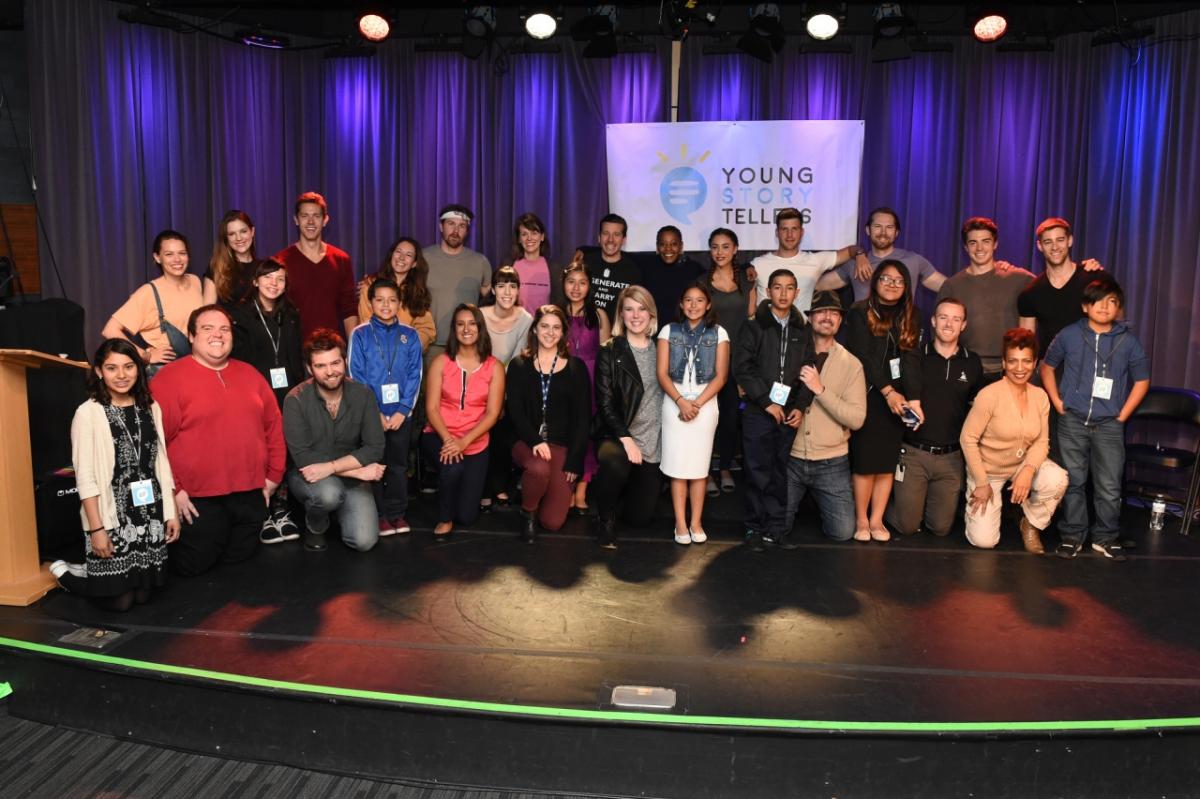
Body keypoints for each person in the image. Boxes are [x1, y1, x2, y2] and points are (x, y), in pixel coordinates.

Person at [151, 305, 286, 575]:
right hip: (197, 497)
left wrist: (273, 477)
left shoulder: (250, 374)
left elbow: (273, 427)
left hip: (250, 491)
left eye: (224, 329)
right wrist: (174, 490)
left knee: (242, 562)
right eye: (208, 328)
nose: (218, 335)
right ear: (191, 336)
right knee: (196, 565)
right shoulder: (168, 379)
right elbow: (156, 441)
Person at [53, 339, 178, 611]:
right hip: (111, 516)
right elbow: (85, 477)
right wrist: (96, 529)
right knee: (121, 602)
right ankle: (69, 578)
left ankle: (94, 575)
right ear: (99, 371)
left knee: (143, 596)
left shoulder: (150, 406)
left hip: (148, 511)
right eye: (112, 368)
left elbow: (162, 463)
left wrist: (170, 511)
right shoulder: (87, 413)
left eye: (129, 366)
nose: (121, 375)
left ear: (138, 369)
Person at [1041, 276, 1150, 560]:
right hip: (1072, 421)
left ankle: (1105, 538)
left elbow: (1142, 381)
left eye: (1111, 301)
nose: (1104, 306)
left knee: (1109, 486)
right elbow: (1047, 367)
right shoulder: (1069, 335)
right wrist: (1057, 402)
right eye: (1097, 301)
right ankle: (1072, 536)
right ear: (1085, 306)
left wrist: (1122, 416)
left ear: (1118, 308)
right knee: (1073, 482)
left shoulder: (1128, 342)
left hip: (1109, 425)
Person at [960, 328, 1068, 553]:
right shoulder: (989, 395)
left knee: (1057, 479)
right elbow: (967, 439)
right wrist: (981, 482)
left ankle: (1029, 523)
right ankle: (984, 505)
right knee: (984, 541)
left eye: (1026, 361)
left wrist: (1028, 470)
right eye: (1013, 361)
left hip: (1020, 465)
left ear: (1034, 363)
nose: (1020, 368)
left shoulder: (1040, 396)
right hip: (988, 470)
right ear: (1004, 362)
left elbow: (1041, 442)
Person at [885, 298, 984, 538]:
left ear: (963, 325)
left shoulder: (972, 362)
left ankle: (920, 507)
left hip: (951, 457)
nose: (949, 324)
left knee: (940, 528)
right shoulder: (915, 357)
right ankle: (889, 507)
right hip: (914, 453)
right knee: (907, 526)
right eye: (943, 317)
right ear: (933, 321)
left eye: (956, 319)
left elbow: (975, 405)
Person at [283, 329, 386, 552]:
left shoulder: (363, 394)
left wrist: (332, 468)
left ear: (345, 361)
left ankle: (341, 514)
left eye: (335, 363)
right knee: (329, 494)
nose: (330, 372)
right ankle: (316, 526)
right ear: (309, 368)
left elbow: (375, 447)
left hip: (345, 473)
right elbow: (303, 457)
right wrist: (357, 471)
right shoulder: (295, 400)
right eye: (321, 366)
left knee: (364, 541)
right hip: (309, 475)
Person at [733, 269, 814, 552]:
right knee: (757, 470)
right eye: (777, 287)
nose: (783, 293)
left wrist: (800, 407)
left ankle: (775, 529)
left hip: (788, 412)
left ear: (797, 293)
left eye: (789, 288)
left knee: (780, 471)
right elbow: (742, 368)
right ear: (768, 292)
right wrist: (767, 402)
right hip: (759, 410)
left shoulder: (803, 329)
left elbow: (809, 370)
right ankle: (754, 527)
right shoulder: (754, 326)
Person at [845, 260, 925, 542]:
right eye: (886, 279)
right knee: (866, 462)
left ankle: (877, 519)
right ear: (875, 281)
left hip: (898, 399)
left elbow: (911, 358)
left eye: (898, 280)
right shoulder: (859, 312)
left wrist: (914, 400)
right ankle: (861, 519)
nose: (892, 284)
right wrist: (888, 391)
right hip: (868, 393)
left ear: (906, 286)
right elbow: (863, 356)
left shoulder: (912, 314)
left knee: (886, 463)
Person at [782, 291, 867, 546]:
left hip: (831, 462)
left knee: (843, 532)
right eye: (821, 312)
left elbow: (857, 419)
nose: (828, 317)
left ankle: (816, 500)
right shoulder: (791, 352)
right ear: (810, 317)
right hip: (790, 457)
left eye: (834, 313)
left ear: (840, 321)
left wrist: (820, 390)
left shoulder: (851, 364)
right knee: (777, 527)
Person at [229, 259, 305, 544]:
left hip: (287, 392)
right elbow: (238, 359)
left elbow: (295, 354)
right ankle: (262, 511)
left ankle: (281, 509)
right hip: (254, 391)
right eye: (268, 278)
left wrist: (300, 392)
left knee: (282, 449)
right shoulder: (240, 315)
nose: (274, 284)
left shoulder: (291, 313)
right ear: (255, 281)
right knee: (259, 450)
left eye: (280, 279)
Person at [506, 305, 592, 541]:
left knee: (552, 522)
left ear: (563, 332)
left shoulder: (576, 369)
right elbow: (515, 412)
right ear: (535, 329)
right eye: (544, 326)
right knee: (538, 468)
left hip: (560, 445)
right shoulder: (519, 365)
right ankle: (528, 512)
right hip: (526, 441)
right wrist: (535, 440)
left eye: (556, 327)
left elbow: (583, 419)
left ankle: (535, 489)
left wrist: (575, 461)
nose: (550, 332)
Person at [348, 278, 424, 538]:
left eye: (392, 300)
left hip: (401, 416)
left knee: (399, 466)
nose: (385, 305)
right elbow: (356, 376)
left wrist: (403, 410)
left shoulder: (410, 335)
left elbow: (415, 374)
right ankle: (378, 515)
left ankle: (397, 513)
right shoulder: (360, 334)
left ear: (399, 303)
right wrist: (375, 414)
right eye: (379, 299)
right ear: (370, 302)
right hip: (373, 416)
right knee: (375, 464)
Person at [422, 304, 505, 536]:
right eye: (460, 324)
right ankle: (444, 518)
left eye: (472, 324)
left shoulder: (494, 367)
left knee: (467, 517)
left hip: (475, 442)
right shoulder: (441, 362)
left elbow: (493, 414)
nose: (466, 329)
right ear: (454, 329)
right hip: (439, 435)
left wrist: (464, 442)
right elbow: (431, 408)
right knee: (452, 468)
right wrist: (449, 440)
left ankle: (454, 494)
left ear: (480, 328)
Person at [591, 285, 664, 549]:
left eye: (641, 309)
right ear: (621, 314)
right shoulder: (609, 351)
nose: (635, 315)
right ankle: (606, 518)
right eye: (629, 309)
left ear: (651, 313)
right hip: (617, 435)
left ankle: (622, 491)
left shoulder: (663, 348)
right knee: (615, 463)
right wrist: (626, 438)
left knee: (639, 519)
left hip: (652, 440)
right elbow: (605, 404)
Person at [657, 283, 729, 545]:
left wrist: (695, 404)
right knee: (678, 467)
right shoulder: (668, 330)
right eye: (688, 300)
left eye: (699, 300)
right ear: (681, 303)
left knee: (699, 468)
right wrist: (681, 402)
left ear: (708, 304)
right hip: (674, 403)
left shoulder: (719, 333)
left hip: (705, 405)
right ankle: (680, 523)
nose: (693, 305)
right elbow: (661, 373)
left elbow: (721, 376)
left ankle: (696, 522)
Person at [102, 230, 216, 376]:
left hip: (196, 365)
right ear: (157, 257)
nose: (177, 259)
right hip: (166, 371)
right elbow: (110, 330)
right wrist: (145, 355)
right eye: (169, 254)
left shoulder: (194, 281)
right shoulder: (149, 292)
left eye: (182, 253)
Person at [936, 217, 1036, 379]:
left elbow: (1052, 286)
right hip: (965, 369)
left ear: (995, 244)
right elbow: (939, 334)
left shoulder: (1019, 278)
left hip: (1010, 370)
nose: (979, 248)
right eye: (973, 242)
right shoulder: (952, 286)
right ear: (965, 247)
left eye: (986, 241)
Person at [704, 228, 756, 495]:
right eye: (715, 247)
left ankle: (724, 467)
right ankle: (705, 472)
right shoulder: (702, 282)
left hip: (738, 362)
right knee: (705, 419)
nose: (720, 252)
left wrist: (748, 365)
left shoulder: (747, 281)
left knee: (730, 418)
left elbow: (752, 321)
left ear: (735, 249)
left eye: (725, 247)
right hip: (708, 361)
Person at [479, 267, 533, 512]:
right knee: (481, 436)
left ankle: (499, 485)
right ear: (493, 289)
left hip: (510, 386)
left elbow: (517, 361)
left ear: (519, 290)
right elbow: (476, 355)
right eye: (501, 286)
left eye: (512, 286)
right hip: (481, 384)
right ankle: (482, 488)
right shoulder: (480, 315)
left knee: (502, 434)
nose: (507, 292)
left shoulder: (526, 319)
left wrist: (500, 397)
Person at [749, 207, 867, 316]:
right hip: (765, 330)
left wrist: (860, 255)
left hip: (800, 330)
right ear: (777, 233)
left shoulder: (815, 261)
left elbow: (850, 251)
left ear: (801, 232)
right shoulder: (758, 264)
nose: (789, 235)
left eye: (794, 229)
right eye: (784, 229)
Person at [273, 191, 358, 339]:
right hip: (294, 347)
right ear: (296, 219)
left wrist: (354, 348)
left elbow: (349, 309)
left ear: (325, 220)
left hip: (332, 347)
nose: (310, 222)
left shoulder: (341, 259)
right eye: (305, 216)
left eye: (316, 216)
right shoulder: (281, 261)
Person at [561, 257, 609, 515]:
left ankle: (582, 488)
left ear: (590, 286)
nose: (576, 288)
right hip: (563, 377)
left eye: (582, 283)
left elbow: (606, 357)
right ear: (563, 284)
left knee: (587, 433)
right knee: (565, 431)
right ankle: (565, 486)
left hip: (590, 379)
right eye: (571, 282)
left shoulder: (599, 315)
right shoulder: (556, 313)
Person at [1018, 217, 1107, 355]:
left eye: (1060, 240)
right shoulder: (1030, 294)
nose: (1055, 247)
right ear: (1040, 246)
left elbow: (1118, 325)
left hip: (1093, 364)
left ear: (1069, 240)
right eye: (1048, 242)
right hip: (1051, 367)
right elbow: (1026, 344)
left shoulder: (1096, 279)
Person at [818, 207, 944, 301]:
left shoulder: (913, 261)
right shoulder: (854, 264)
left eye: (889, 227)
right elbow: (817, 285)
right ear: (868, 230)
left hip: (902, 328)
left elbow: (948, 286)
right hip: (863, 328)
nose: (883, 232)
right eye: (877, 226)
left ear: (896, 232)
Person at [423, 204, 492, 360]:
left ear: (467, 231)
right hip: (432, 345)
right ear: (441, 226)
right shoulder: (423, 258)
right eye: (451, 224)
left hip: (468, 345)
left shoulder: (480, 262)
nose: (456, 230)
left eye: (461, 226)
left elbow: (492, 301)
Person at [356, 236, 436, 350]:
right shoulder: (370, 285)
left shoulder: (417, 293)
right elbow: (366, 322)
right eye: (398, 252)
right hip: (375, 352)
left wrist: (409, 347)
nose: (402, 258)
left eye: (408, 255)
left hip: (406, 354)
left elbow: (426, 329)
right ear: (391, 255)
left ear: (414, 263)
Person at [580, 213, 643, 318]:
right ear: (599, 237)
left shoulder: (633, 271)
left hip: (617, 327)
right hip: (586, 325)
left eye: (616, 234)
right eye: (606, 233)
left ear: (624, 240)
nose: (610, 240)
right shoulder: (585, 263)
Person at [640, 225, 704, 326]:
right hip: (653, 330)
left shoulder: (694, 269)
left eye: (674, 244)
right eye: (663, 244)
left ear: (681, 246)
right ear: (657, 247)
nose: (668, 248)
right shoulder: (646, 267)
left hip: (685, 330)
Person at [501, 212, 562, 310]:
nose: (529, 238)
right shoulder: (509, 265)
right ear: (519, 239)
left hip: (543, 320)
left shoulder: (554, 269)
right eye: (524, 234)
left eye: (534, 233)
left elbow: (559, 306)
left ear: (542, 237)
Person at [208, 209, 262, 306]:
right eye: (232, 234)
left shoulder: (263, 268)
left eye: (243, 231)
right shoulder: (217, 267)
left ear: (252, 231)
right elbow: (207, 310)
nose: (239, 238)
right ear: (226, 238)